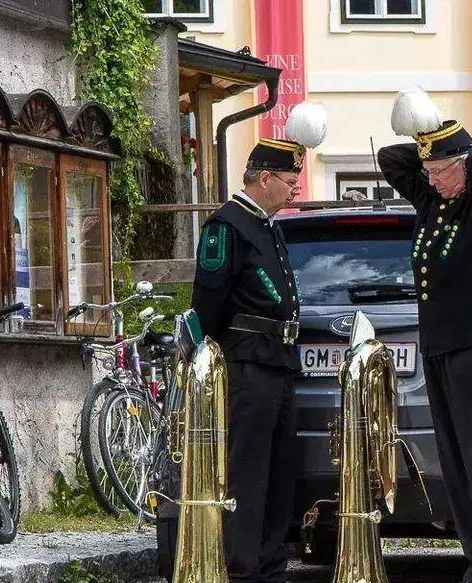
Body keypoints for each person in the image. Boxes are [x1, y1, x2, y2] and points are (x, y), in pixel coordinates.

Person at [379, 88, 472, 583]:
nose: (431, 180)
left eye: (441, 171)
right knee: (458, 460)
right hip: (441, 345)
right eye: (428, 172)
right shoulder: (433, 199)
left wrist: (453, 143)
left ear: (464, 166)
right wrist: (428, 142)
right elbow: (391, 159)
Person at [184, 104, 324, 583]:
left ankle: (270, 563)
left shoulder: (266, 224)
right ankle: (243, 566)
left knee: (279, 471)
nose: (295, 189)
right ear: (263, 178)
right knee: (248, 471)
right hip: (248, 364)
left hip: (278, 361)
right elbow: (208, 302)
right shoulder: (228, 225)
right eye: (289, 181)